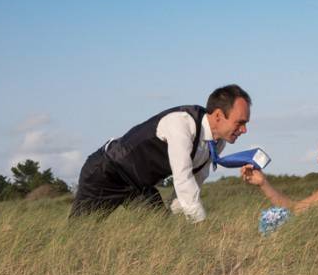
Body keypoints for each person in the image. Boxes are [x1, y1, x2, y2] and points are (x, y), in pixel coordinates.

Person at [71, 84, 251, 222]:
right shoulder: (181, 123)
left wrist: (181, 221)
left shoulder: (217, 142)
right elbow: (183, 177)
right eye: (240, 122)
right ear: (219, 116)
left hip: (140, 186)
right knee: (79, 234)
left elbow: (193, 183)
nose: (244, 130)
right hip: (107, 172)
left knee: (162, 231)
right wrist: (200, 222)